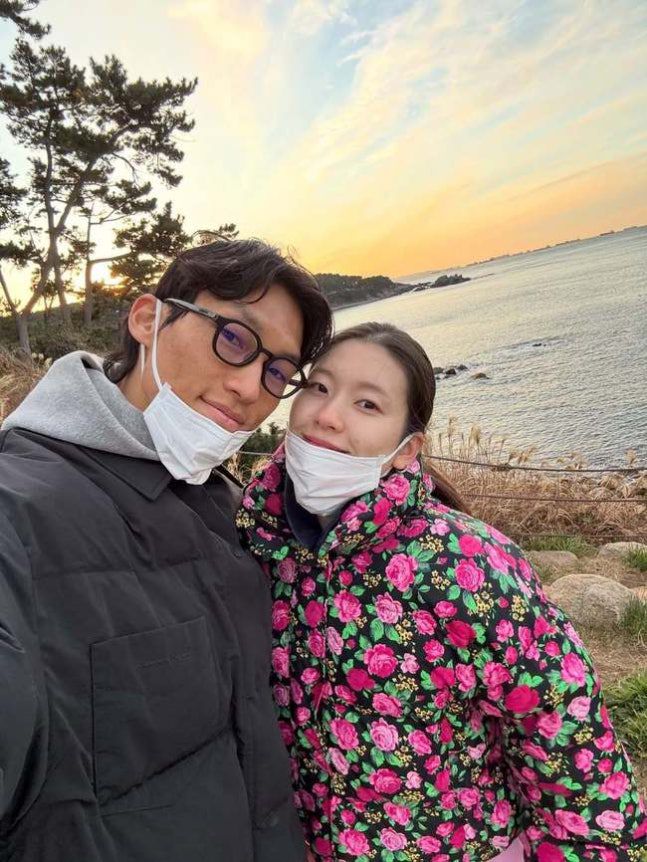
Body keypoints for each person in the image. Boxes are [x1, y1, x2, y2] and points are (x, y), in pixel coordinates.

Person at [237, 322, 647, 861]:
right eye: (319, 386)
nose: (327, 414)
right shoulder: (261, 539)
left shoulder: (464, 562)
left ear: (406, 449)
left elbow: (563, 727)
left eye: (367, 404)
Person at [0, 239, 333, 861]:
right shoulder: (17, 511)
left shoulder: (230, 505)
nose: (249, 387)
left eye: (278, 373)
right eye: (233, 338)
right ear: (148, 319)